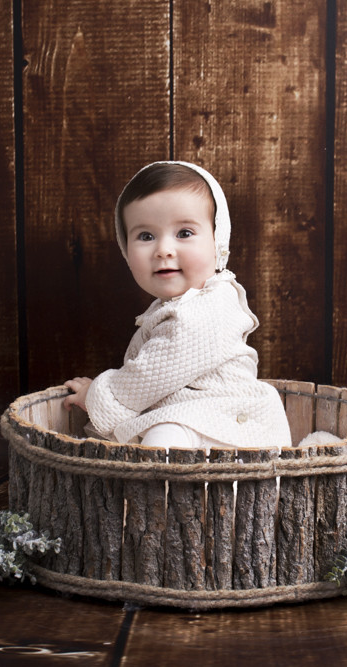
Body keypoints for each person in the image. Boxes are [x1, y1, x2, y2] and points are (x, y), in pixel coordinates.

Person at [63, 161, 291, 450]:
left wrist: (100, 396)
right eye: (146, 236)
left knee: (163, 439)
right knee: (158, 434)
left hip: (228, 424)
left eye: (184, 233)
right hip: (192, 418)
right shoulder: (175, 305)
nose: (163, 250)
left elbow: (151, 373)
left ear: (217, 242)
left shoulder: (211, 307)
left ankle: (163, 477)